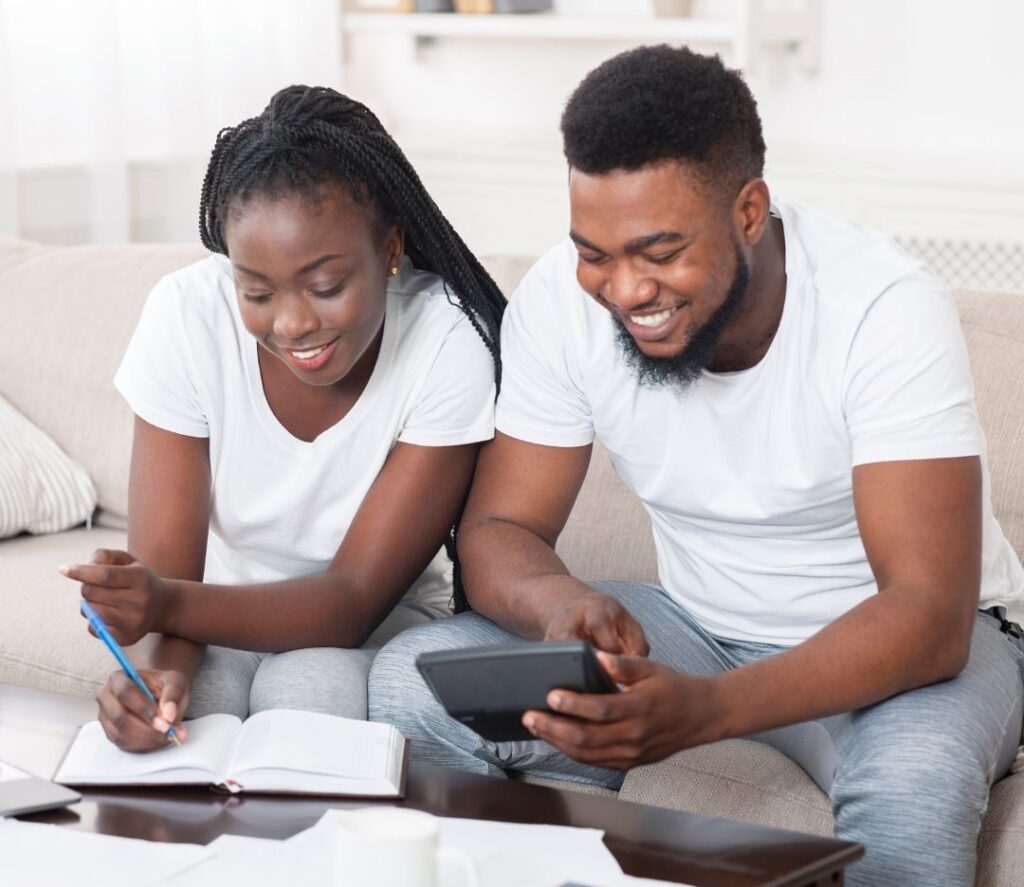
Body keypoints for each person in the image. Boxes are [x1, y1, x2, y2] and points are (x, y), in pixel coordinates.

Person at [367, 46, 1024, 886]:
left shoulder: (883, 310)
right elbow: (501, 526)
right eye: (594, 251)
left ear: (749, 210)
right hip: (700, 623)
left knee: (913, 789)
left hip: (904, 650)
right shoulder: (562, 305)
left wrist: (706, 712)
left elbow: (927, 613)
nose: (624, 289)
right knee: (414, 684)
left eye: (660, 250)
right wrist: (558, 604)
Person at [59, 85, 504, 752]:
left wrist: (163, 602)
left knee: (304, 696)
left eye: (326, 287)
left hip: (372, 620)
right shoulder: (187, 315)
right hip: (211, 615)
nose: (293, 323)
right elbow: (168, 572)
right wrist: (157, 675)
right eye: (257, 292)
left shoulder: (447, 342)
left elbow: (351, 600)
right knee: (183, 720)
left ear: (390, 248)